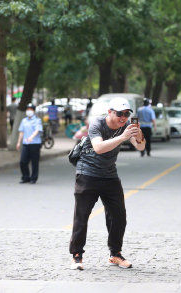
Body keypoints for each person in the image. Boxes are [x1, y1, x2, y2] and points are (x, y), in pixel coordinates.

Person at [69, 97, 145, 270]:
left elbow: (140, 147)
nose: (123, 118)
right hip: (87, 173)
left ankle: (115, 254)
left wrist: (137, 134)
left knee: (119, 216)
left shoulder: (126, 126)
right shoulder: (97, 124)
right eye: (120, 114)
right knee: (82, 216)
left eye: (126, 114)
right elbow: (99, 147)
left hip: (110, 175)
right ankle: (76, 255)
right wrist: (123, 137)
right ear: (110, 112)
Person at [16, 103, 43, 184]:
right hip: (25, 144)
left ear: (33, 111)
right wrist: (18, 142)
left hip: (35, 144)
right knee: (22, 161)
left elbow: (37, 130)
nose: (29, 111)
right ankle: (25, 177)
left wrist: (32, 137)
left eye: (30, 109)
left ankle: (33, 178)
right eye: (28, 109)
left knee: (34, 162)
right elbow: (21, 132)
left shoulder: (37, 120)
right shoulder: (24, 121)